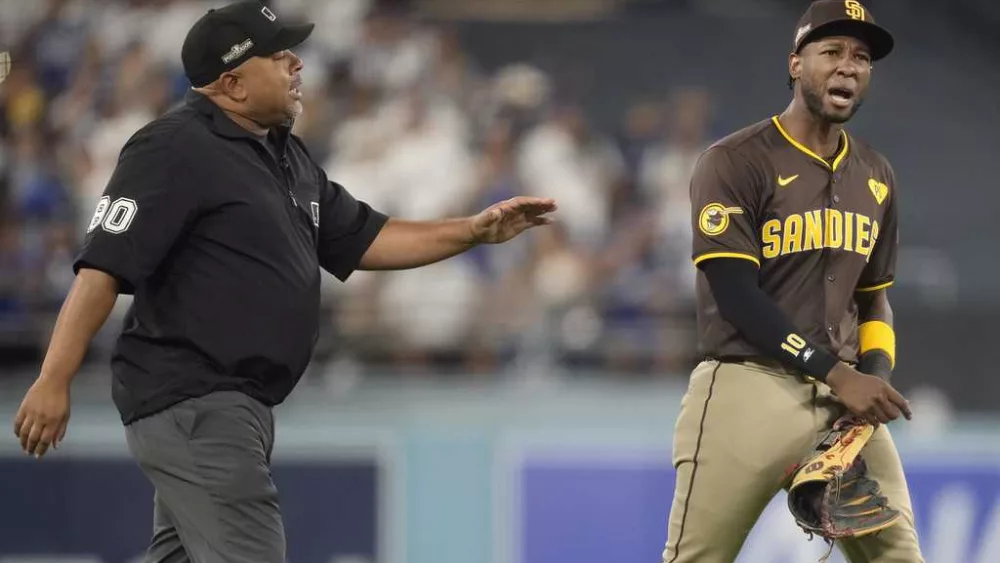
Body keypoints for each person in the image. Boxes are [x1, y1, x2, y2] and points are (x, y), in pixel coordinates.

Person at [11, 2, 556, 561]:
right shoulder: (171, 146)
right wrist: (55, 377)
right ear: (232, 83)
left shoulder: (285, 155)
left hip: (233, 405)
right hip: (196, 396)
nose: (297, 63)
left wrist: (472, 231)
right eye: (277, 55)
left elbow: (368, 239)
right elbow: (104, 264)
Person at [661, 1, 925, 562]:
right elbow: (734, 294)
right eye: (831, 52)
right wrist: (839, 374)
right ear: (795, 65)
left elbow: (874, 300)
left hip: (843, 403)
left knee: (900, 558)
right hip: (747, 386)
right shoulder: (735, 160)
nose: (848, 67)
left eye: (861, 58)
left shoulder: (876, 175)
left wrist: (869, 382)